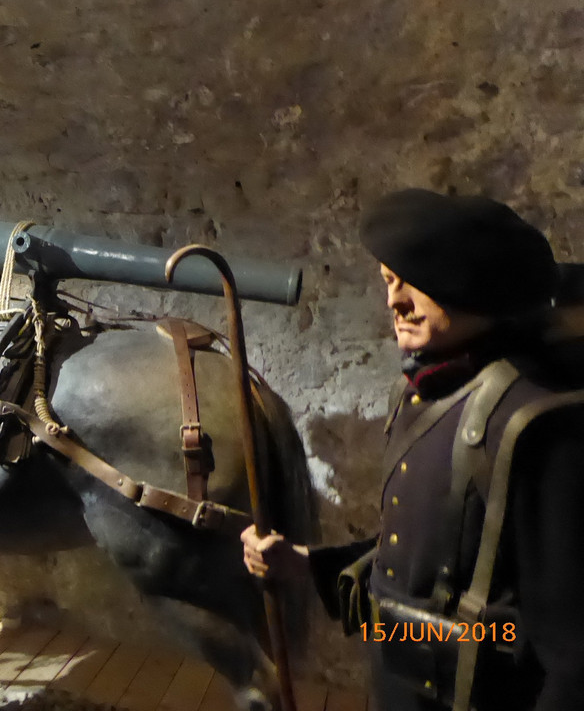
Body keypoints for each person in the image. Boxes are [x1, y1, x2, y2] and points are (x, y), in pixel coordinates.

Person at [241, 189, 584, 711]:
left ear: (478, 290)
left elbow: (571, 651)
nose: (394, 302)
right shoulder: (431, 388)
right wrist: (306, 564)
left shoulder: (539, 423)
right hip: (406, 687)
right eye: (388, 281)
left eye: (417, 284)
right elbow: (432, 559)